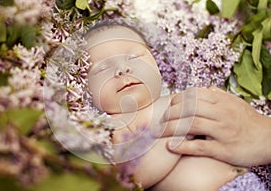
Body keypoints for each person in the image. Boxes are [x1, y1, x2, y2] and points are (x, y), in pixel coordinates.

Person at [84, 22, 267, 190]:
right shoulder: (117, 126)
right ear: (86, 90)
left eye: (133, 57)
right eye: (102, 68)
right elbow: (132, 175)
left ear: (155, 62)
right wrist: (182, 131)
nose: (122, 69)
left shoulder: (181, 97)